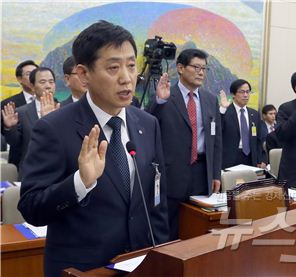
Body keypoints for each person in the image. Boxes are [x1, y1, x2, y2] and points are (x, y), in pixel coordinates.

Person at [17, 20, 169, 276]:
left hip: (140, 264)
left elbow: (157, 200)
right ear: (84, 74)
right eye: (113, 67)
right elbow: (32, 207)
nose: (126, 77)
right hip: (83, 269)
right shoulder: (54, 128)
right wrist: (80, 183)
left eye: (131, 66)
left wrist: (163, 256)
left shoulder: (147, 124)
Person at [147, 48, 222, 240]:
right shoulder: (165, 96)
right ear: (180, 68)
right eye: (196, 67)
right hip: (173, 174)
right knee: (170, 229)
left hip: (202, 173)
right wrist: (158, 101)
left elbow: (216, 141)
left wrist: (215, 174)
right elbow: (147, 125)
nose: (201, 72)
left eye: (204, 69)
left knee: (198, 228)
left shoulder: (210, 99)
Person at [2, 67, 60, 172]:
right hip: (30, 171)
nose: (48, 86)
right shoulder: (22, 112)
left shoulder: (64, 109)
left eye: (51, 82)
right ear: (32, 86)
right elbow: (15, 144)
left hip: (58, 170)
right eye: (42, 82)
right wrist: (9, 127)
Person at [218, 79, 266, 169]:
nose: (245, 95)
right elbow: (217, 130)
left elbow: (259, 140)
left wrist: (260, 159)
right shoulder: (225, 112)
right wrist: (223, 109)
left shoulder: (254, 114)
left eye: (248, 92)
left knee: (249, 183)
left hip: (250, 158)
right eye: (242, 92)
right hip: (230, 159)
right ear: (233, 94)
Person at [1, 60, 39, 165]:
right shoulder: (8, 104)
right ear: (19, 79)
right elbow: (5, 135)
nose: (33, 76)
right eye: (28, 74)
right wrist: (9, 127)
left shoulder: (52, 103)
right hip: (20, 161)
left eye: (35, 73)